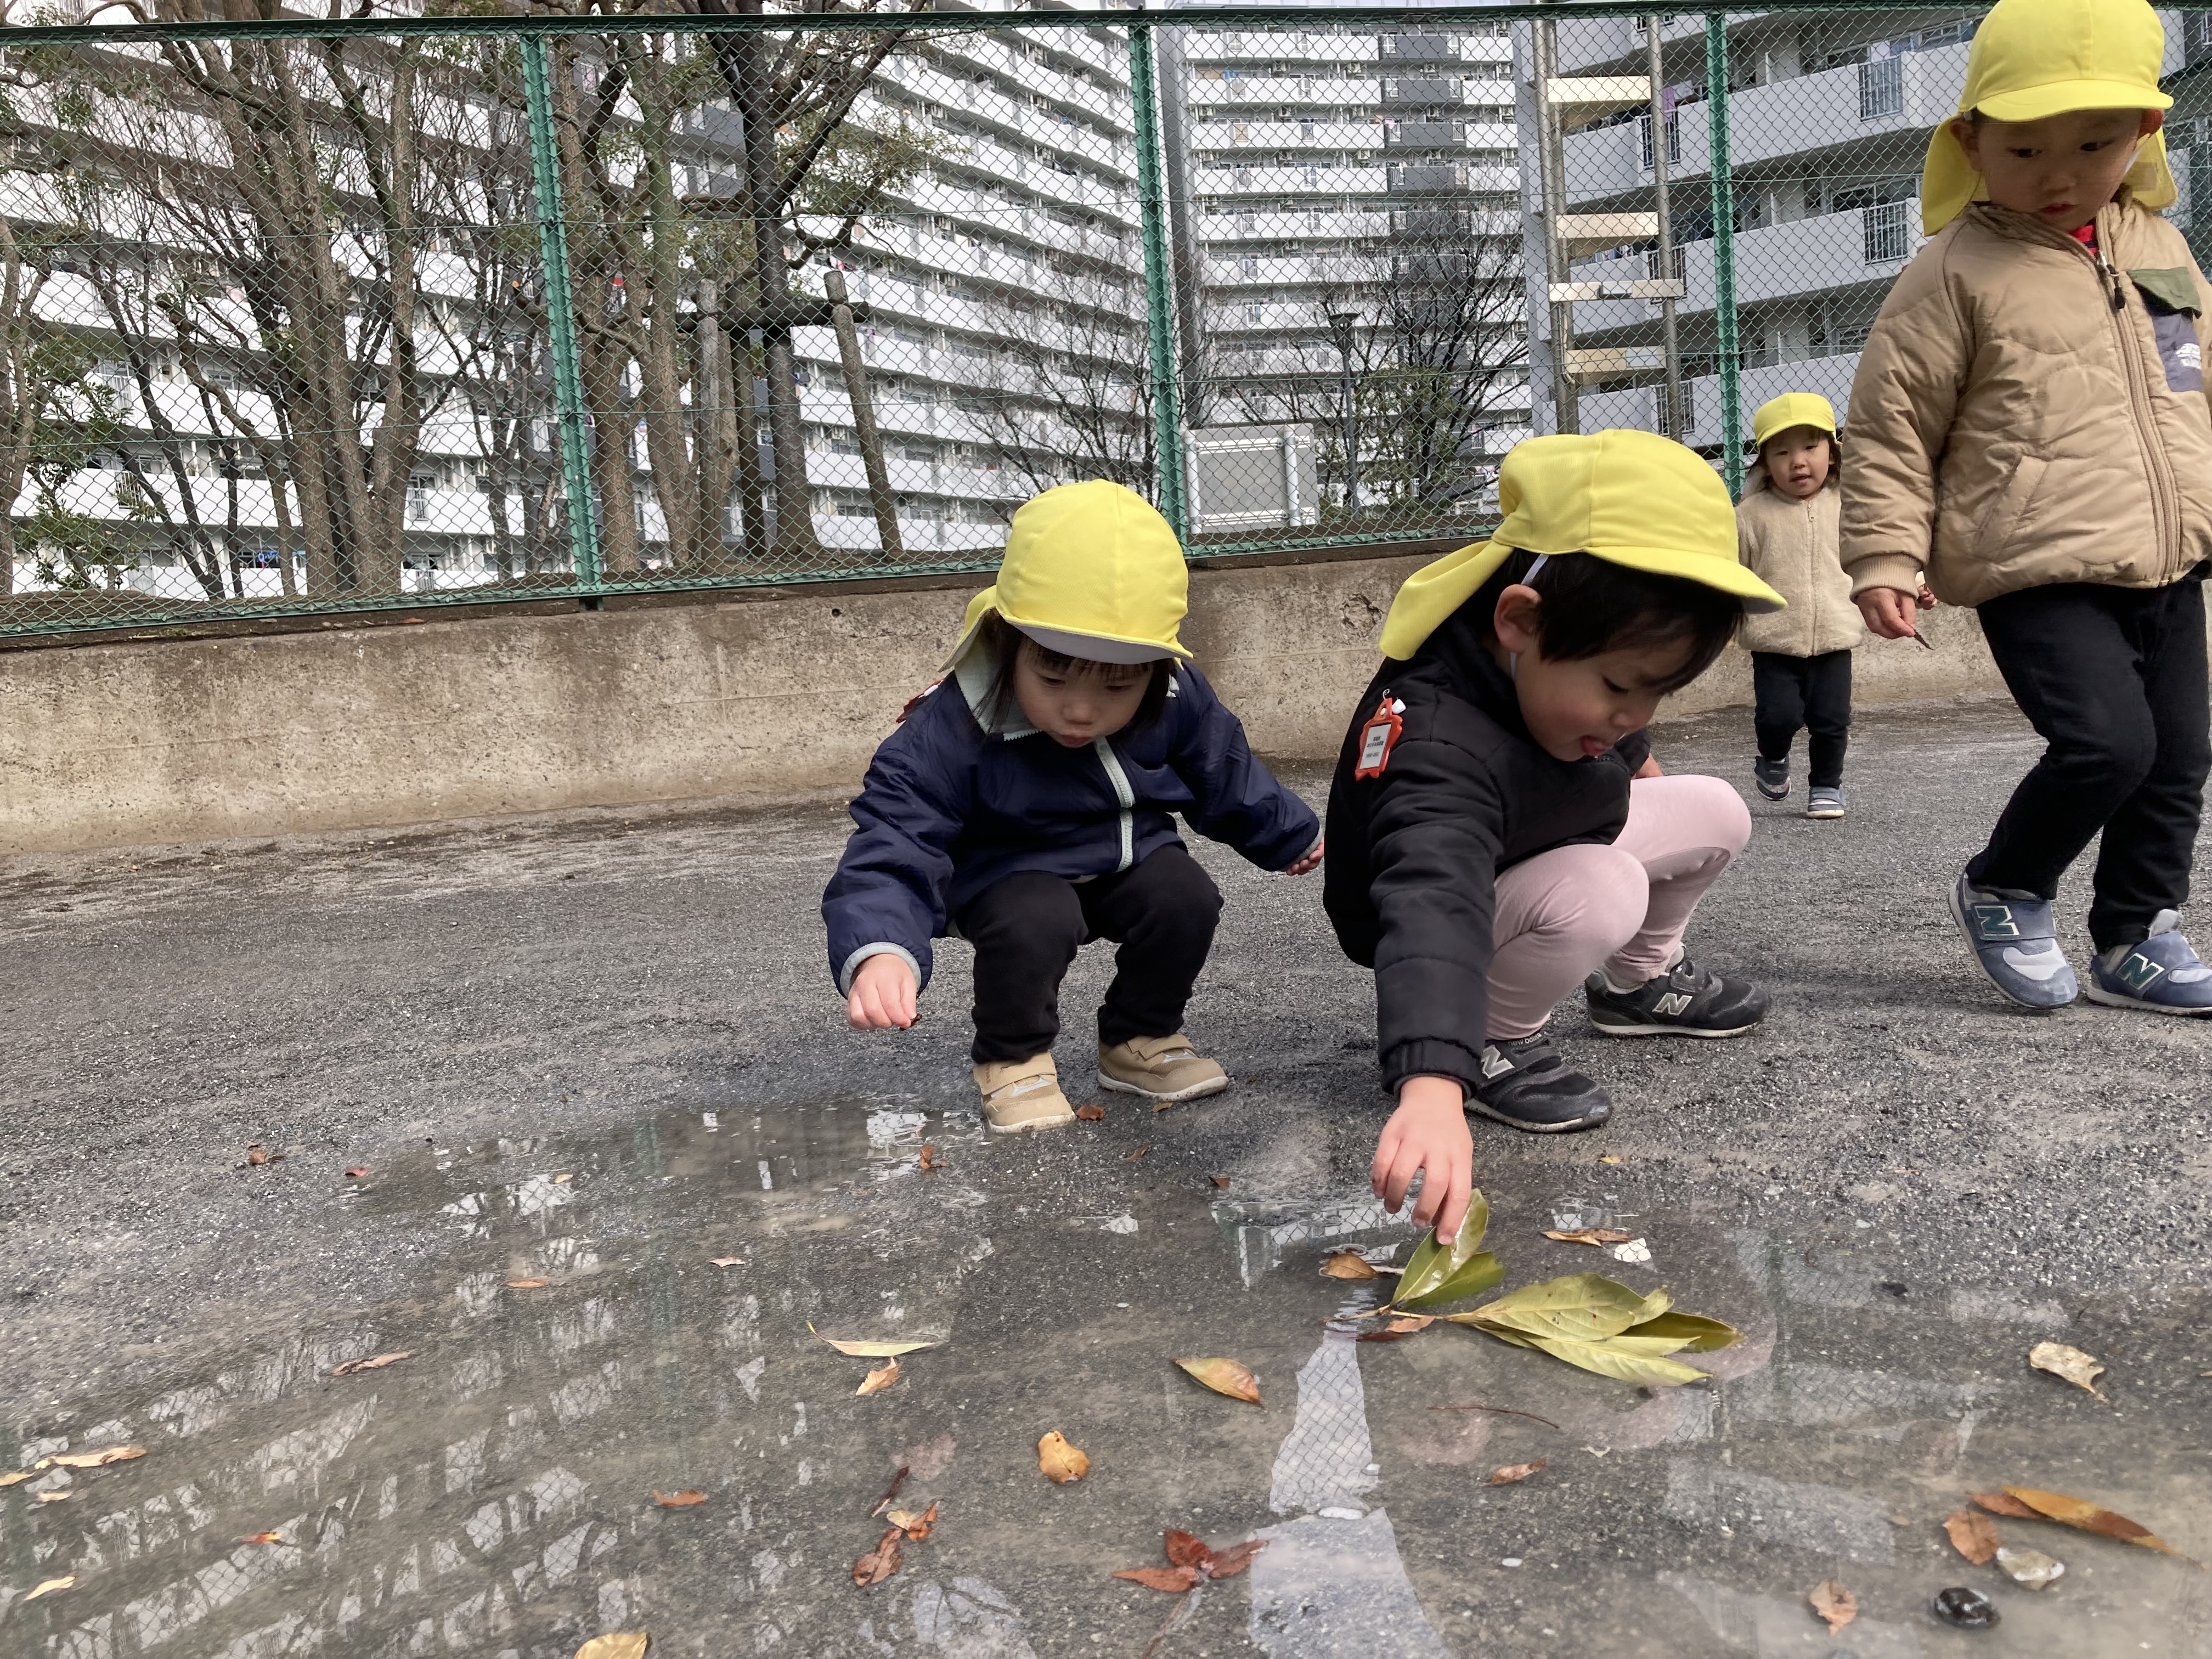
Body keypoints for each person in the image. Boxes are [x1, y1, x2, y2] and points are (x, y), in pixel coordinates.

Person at [1843, 0, 2212, 1015]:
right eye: (2024, 149)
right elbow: (1890, 426)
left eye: (2093, 145)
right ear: (1970, 143)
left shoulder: (2158, 245)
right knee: (2108, 743)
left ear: (2142, 133)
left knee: (2180, 755)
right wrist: (1884, 555)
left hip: (2168, 556)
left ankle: (2136, 934)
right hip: (2033, 560)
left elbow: (2190, 380)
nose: (2059, 175)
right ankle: (2006, 884)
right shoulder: (1953, 271)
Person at [1325, 430, 1781, 1241]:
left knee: (1716, 809)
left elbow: (1617, 727)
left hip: (1535, 844)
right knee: (1605, 889)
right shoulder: (1435, 738)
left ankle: (1637, 984)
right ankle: (1491, 1040)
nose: (1634, 715)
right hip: (1437, 904)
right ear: (1519, 620)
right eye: (1620, 685)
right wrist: (1432, 1084)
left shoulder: (1554, 669)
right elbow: (1434, 899)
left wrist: (1636, 757)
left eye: (1659, 692)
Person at [823, 479, 1323, 1134]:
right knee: (1037, 917)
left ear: (1155, 667)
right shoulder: (952, 722)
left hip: (1125, 852)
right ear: (1007, 641)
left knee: (1184, 896)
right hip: (1007, 871)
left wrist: (1286, 833)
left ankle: (1139, 1037)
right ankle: (1013, 1057)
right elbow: (895, 836)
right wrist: (882, 946)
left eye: (1118, 686)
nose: (1082, 711)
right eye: (1053, 679)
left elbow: (1220, 762)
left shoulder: (1174, 690)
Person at [1736, 393, 1861, 820]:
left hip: (1835, 635)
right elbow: (1732, 570)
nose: (1798, 461)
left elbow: (1875, 551)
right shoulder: (1750, 515)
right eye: (1782, 452)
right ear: (1765, 463)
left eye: (1810, 447)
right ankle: (1773, 756)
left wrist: (1912, 584)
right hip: (1774, 639)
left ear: (1833, 451)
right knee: (1778, 717)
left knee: (1832, 718)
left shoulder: (1849, 506)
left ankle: (1827, 786)